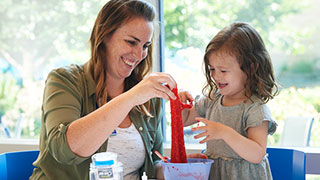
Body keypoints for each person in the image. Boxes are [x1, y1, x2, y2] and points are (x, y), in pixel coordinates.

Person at [30, 0, 178, 179]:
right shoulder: (64, 80)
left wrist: (177, 167)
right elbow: (65, 149)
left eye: (145, 46)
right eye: (131, 42)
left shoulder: (147, 97)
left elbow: (153, 162)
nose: (139, 55)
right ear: (104, 36)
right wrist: (131, 98)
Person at [179, 22, 279, 180]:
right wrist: (180, 104)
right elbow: (183, 121)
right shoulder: (211, 101)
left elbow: (257, 154)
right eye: (212, 69)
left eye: (223, 70)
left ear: (251, 68)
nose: (216, 76)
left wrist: (224, 132)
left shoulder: (255, 108)